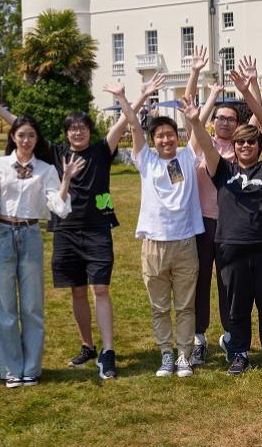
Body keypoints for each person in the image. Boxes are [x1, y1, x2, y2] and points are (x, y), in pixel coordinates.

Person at [0, 75, 162, 380]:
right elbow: (24, 131)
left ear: (89, 131)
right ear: (66, 133)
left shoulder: (102, 150)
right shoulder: (56, 155)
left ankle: (109, 350)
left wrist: (136, 97)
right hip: (65, 231)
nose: (78, 132)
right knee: (76, 291)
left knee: (99, 288)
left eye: (83, 128)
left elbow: (124, 124)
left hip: (97, 229)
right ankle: (87, 345)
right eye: (73, 128)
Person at [0, 115, 84, 388]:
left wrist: (65, 179)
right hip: (3, 234)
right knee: (4, 306)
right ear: (13, 138)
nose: (26, 140)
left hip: (30, 235)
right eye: (21, 135)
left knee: (31, 306)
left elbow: (58, 206)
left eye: (31, 135)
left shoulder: (45, 169)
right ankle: (11, 370)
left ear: (36, 139)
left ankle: (31, 368)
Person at [186, 91, 262, 375]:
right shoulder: (222, 170)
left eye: (251, 141)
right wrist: (197, 122)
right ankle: (239, 353)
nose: (246, 145)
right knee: (237, 305)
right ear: (234, 146)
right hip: (231, 247)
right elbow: (207, 146)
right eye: (241, 141)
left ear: (258, 145)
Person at [108, 83, 204, 378]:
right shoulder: (145, 160)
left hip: (185, 244)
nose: (165, 139)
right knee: (159, 307)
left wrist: (197, 85)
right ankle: (166, 354)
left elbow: (197, 131)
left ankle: (185, 356)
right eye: (160, 135)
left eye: (170, 134)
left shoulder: (187, 157)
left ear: (178, 137)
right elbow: (134, 126)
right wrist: (124, 98)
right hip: (153, 245)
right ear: (153, 140)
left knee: (186, 306)